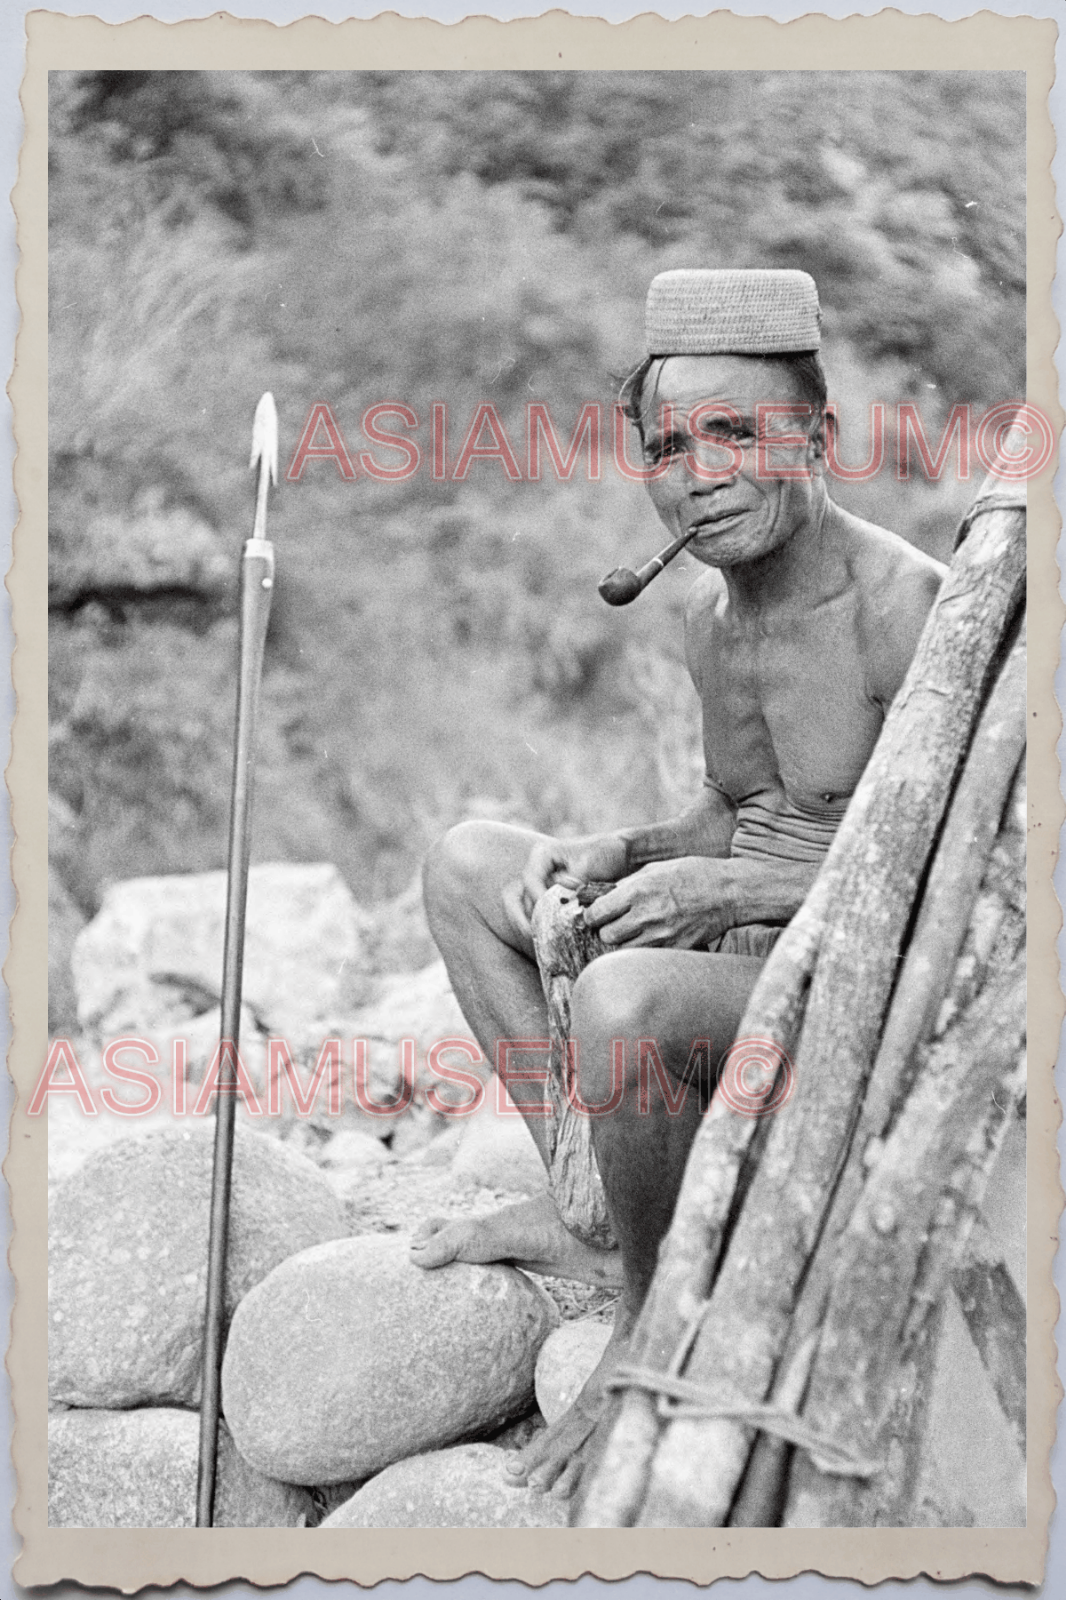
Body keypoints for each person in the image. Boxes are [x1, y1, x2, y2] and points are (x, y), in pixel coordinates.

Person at [411, 268, 945, 1498]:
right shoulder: (710, 612)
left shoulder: (904, 609)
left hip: (839, 978)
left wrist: (725, 898)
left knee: (621, 1004)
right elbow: (735, 807)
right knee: (467, 862)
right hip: (720, 948)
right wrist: (625, 854)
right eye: (667, 445)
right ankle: (592, 1207)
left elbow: (936, 879)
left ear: (815, 436)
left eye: (736, 433)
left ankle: (650, 1315)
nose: (696, 471)